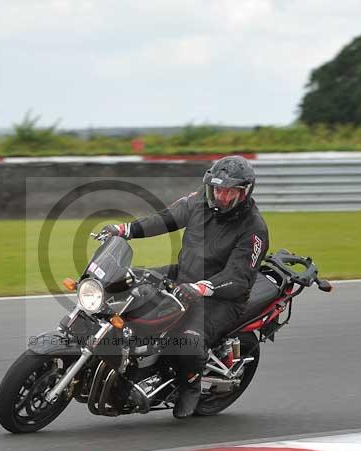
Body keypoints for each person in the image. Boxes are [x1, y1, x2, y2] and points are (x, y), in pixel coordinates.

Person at [99, 155, 269, 418]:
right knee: (123, 284)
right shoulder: (197, 202)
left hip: (222, 297)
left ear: (244, 193)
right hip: (184, 276)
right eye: (218, 190)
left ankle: (190, 384)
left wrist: (203, 288)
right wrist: (125, 230)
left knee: (187, 342)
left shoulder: (254, 229)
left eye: (230, 192)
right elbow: (165, 219)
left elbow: (239, 277)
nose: (222, 197)